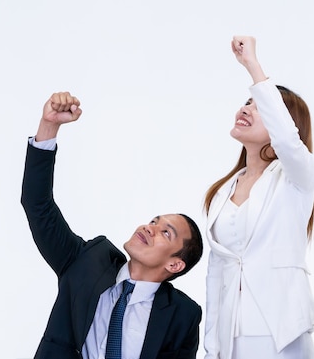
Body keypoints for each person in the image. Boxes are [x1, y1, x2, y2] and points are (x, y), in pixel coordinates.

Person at [21, 92, 204, 359]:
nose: (149, 227)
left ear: (174, 265)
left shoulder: (183, 316)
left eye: (165, 232)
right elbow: (37, 204)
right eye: (154, 220)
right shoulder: (85, 261)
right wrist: (49, 126)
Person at [203, 36, 314, 359]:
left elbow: (287, 140)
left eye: (257, 105)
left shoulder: (297, 178)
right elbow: (216, 275)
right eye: (247, 102)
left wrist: (252, 65)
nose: (245, 108)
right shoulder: (221, 193)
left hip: (280, 334)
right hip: (231, 337)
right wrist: (211, 348)